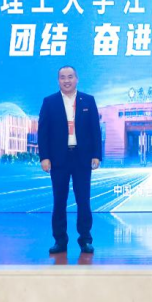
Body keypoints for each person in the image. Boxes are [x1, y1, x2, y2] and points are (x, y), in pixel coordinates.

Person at [38, 66, 102, 254]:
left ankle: (85, 240)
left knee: (83, 200)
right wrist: (44, 157)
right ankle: (60, 241)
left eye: (70, 77)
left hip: (82, 158)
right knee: (59, 201)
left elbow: (95, 130)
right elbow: (43, 132)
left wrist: (96, 154)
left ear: (77, 79)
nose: (67, 80)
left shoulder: (88, 100)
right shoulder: (49, 102)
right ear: (58, 80)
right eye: (63, 77)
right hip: (59, 159)